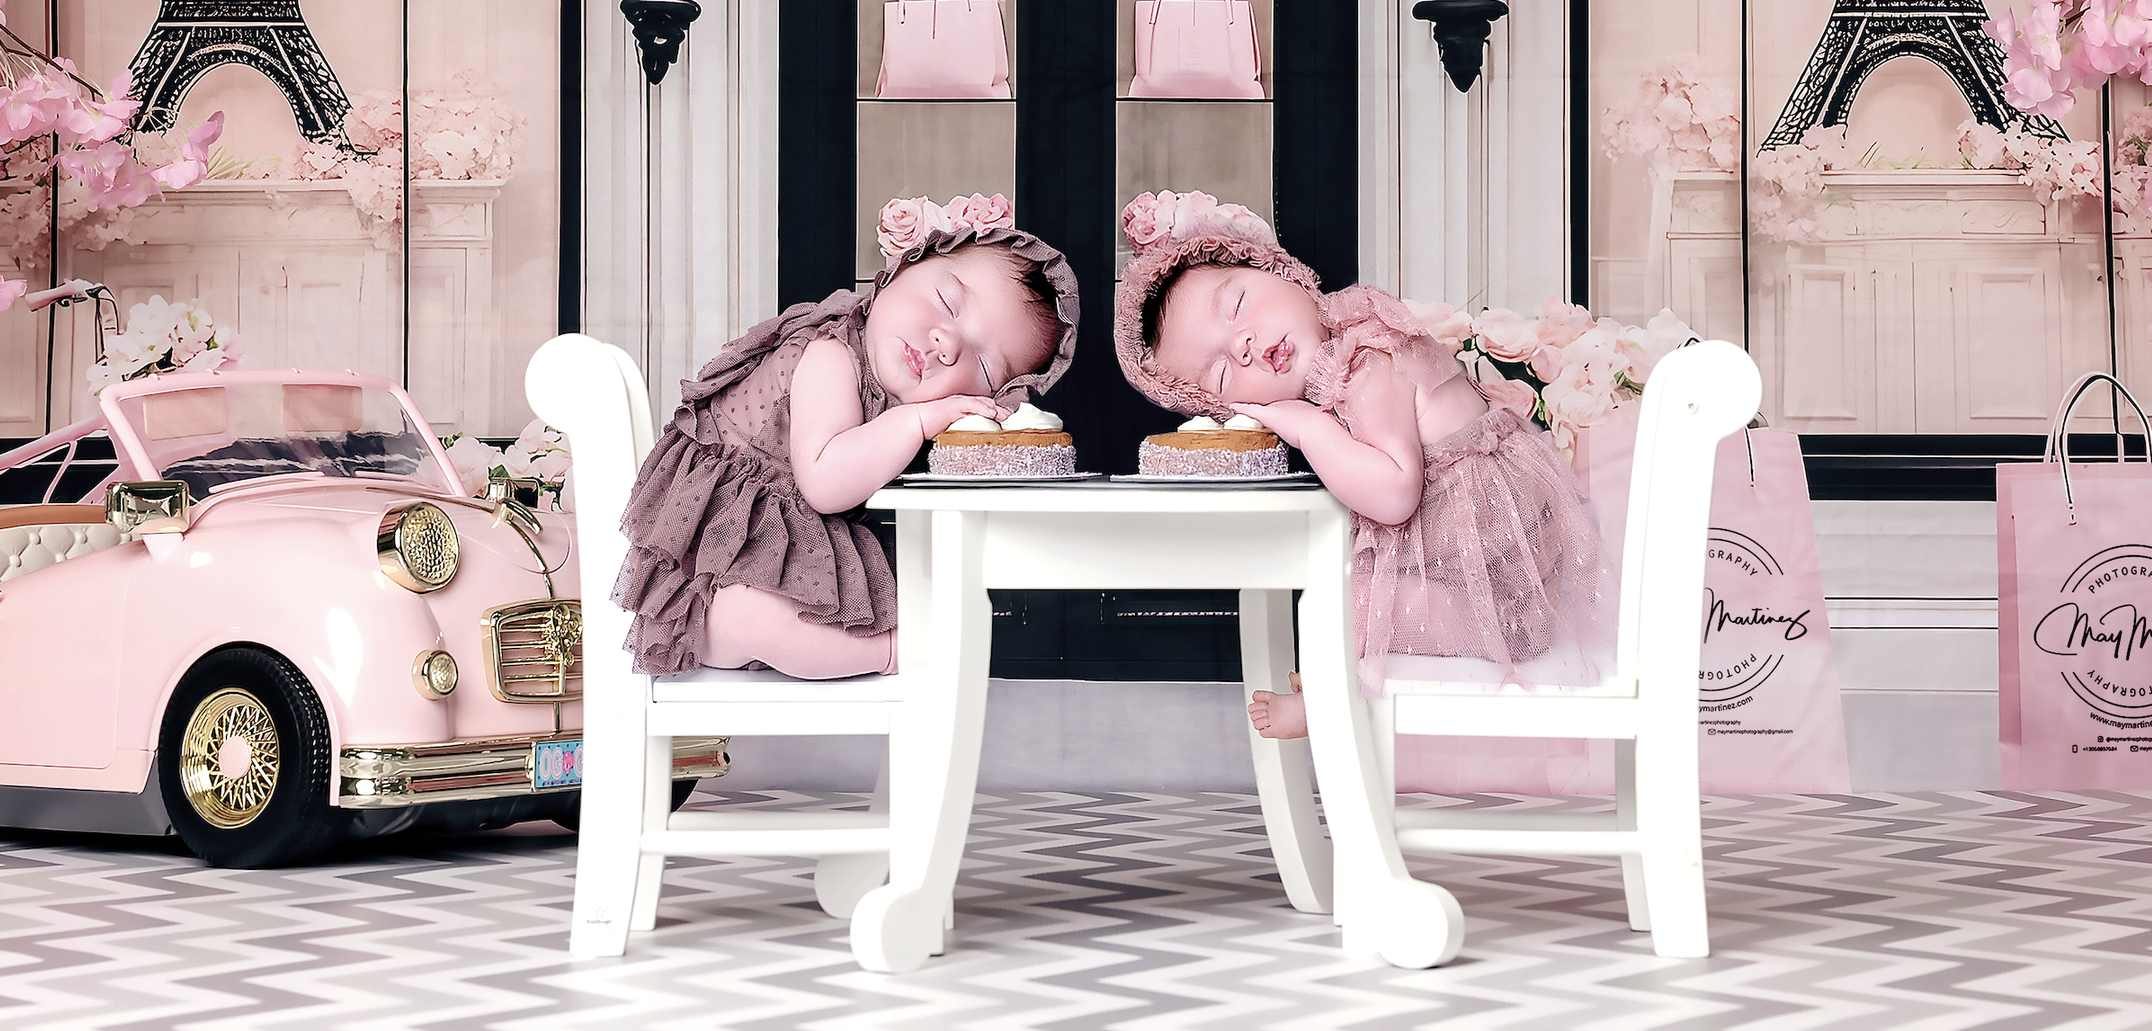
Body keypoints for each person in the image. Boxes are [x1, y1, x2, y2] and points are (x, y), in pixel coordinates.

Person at [1112, 190, 1608, 736]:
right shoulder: (1346, 354)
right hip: (1484, 583)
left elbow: (1395, 494)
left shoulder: (1366, 360)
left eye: (1236, 306)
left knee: (1351, 599)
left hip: (1499, 593)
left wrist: (1307, 427)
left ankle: (1326, 699)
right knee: (1350, 591)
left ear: (1280, 271)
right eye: (1223, 374)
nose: (1243, 345)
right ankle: (1332, 677)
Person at [615, 195, 1079, 677]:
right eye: (947, 302)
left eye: (982, 366)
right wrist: (916, 423)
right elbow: (824, 483)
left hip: (779, 550)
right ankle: (896, 653)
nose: (947, 344)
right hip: (707, 575)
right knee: (750, 616)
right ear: (901, 269)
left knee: (888, 591)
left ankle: (857, 643)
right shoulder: (830, 353)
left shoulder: (883, 386)